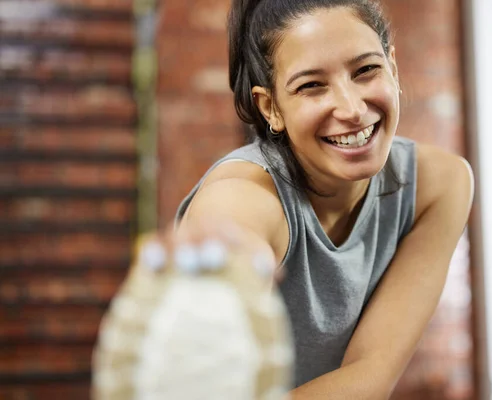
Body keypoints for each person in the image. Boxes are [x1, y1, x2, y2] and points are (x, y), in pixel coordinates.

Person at [174, 0, 474, 398]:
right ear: (271, 108)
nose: (351, 109)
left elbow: (369, 376)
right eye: (311, 86)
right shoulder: (243, 198)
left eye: (366, 70)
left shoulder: (439, 186)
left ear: (394, 68)